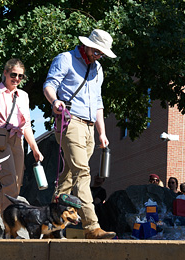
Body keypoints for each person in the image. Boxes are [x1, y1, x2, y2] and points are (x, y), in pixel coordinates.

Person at [43, 29, 117, 239]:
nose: (98, 55)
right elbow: (49, 85)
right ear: (87, 45)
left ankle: (51, 226)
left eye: (102, 53)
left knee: (67, 178)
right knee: (82, 173)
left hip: (89, 127)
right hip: (70, 121)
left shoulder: (99, 69)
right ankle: (91, 226)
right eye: (97, 51)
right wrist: (54, 100)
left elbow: (98, 102)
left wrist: (102, 132)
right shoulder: (65, 59)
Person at [0, 58, 44, 224]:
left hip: (17, 141)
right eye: (13, 74)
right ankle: (9, 227)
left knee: (15, 187)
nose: (17, 79)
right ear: (5, 73)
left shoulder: (23, 96)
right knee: (10, 182)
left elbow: (26, 125)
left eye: (20, 76)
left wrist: (34, 148)